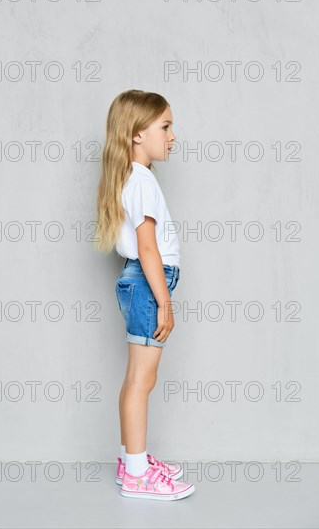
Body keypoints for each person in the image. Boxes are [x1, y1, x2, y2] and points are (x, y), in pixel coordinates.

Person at [94, 89, 195, 501]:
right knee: (141, 380)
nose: (173, 136)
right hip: (148, 284)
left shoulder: (133, 179)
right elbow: (148, 247)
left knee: (138, 378)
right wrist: (165, 302)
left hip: (141, 282)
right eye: (165, 127)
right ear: (137, 134)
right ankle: (136, 474)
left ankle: (130, 460)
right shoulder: (142, 181)